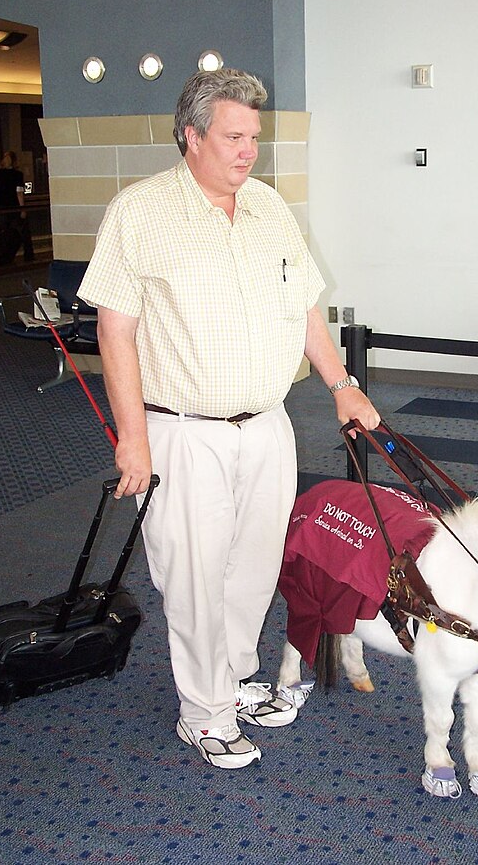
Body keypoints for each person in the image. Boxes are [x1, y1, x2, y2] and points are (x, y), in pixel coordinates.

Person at [78, 68, 380, 770]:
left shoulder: (270, 207)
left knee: (250, 569)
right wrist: (133, 440)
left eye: (255, 137)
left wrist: (341, 384)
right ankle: (203, 711)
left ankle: (232, 679)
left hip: (267, 424)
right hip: (182, 430)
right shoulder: (140, 211)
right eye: (233, 136)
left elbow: (305, 304)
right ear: (191, 135)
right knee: (193, 574)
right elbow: (114, 333)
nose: (248, 151)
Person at [0, 150, 34, 262]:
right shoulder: (18, 174)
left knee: (2, 230)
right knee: (23, 231)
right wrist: (22, 209)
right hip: (13, 206)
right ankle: (28, 256)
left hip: (0, 206)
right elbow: (19, 192)